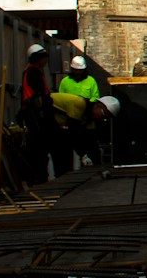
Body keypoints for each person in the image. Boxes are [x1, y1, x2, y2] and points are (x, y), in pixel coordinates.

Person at [49, 91, 119, 175]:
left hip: (54, 123)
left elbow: (91, 141)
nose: (102, 118)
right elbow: (73, 132)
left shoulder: (89, 118)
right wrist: (83, 155)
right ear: (97, 105)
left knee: (63, 147)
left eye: (106, 117)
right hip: (40, 114)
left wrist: (99, 166)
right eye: (103, 114)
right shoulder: (79, 103)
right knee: (61, 149)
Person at [20, 44, 55, 182]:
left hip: (36, 117)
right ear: (37, 59)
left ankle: (39, 178)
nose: (45, 61)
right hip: (36, 119)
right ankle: (39, 179)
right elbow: (38, 98)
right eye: (43, 58)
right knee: (39, 151)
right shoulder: (33, 73)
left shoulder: (33, 72)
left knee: (39, 151)